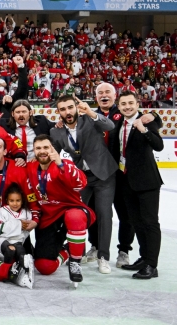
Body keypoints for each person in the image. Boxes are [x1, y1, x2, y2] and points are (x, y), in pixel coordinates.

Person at [49, 96, 117, 274]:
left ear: (76, 108)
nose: (67, 112)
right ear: (59, 112)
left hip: (104, 174)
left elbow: (110, 126)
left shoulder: (89, 119)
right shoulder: (56, 131)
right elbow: (52, 155)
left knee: (104, 215)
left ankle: (103, 257)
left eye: (70, 107)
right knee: (76, 215)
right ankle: (75, 252)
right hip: (81, 178)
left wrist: (91, 112)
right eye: (63, 109)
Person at [26, 135, 95, 288]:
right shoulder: (30, 167)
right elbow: (30, 195)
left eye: (46, 147)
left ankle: (75, 262)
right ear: (34, 151)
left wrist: (60, 164)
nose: (42, 151)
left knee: (74, 216)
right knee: (44, 266)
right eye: (38, 148)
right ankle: (69, 250)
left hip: (71, 210)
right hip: (49, 217)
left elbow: (80, 184)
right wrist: (35, 218)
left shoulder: (64, 164)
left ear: (53, 149)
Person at [109, 91, 164, 279]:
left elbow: (158, 145)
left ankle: (152, 265)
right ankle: (144, 258)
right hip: (126, 181)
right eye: (123, 104)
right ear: (119, 105)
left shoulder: (147, 121)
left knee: (150, 223)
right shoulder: (117, 122)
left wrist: (145, 129)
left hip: (147, 181)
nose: (127, 107)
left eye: (130, 103)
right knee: (136, 223)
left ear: (137, 103)